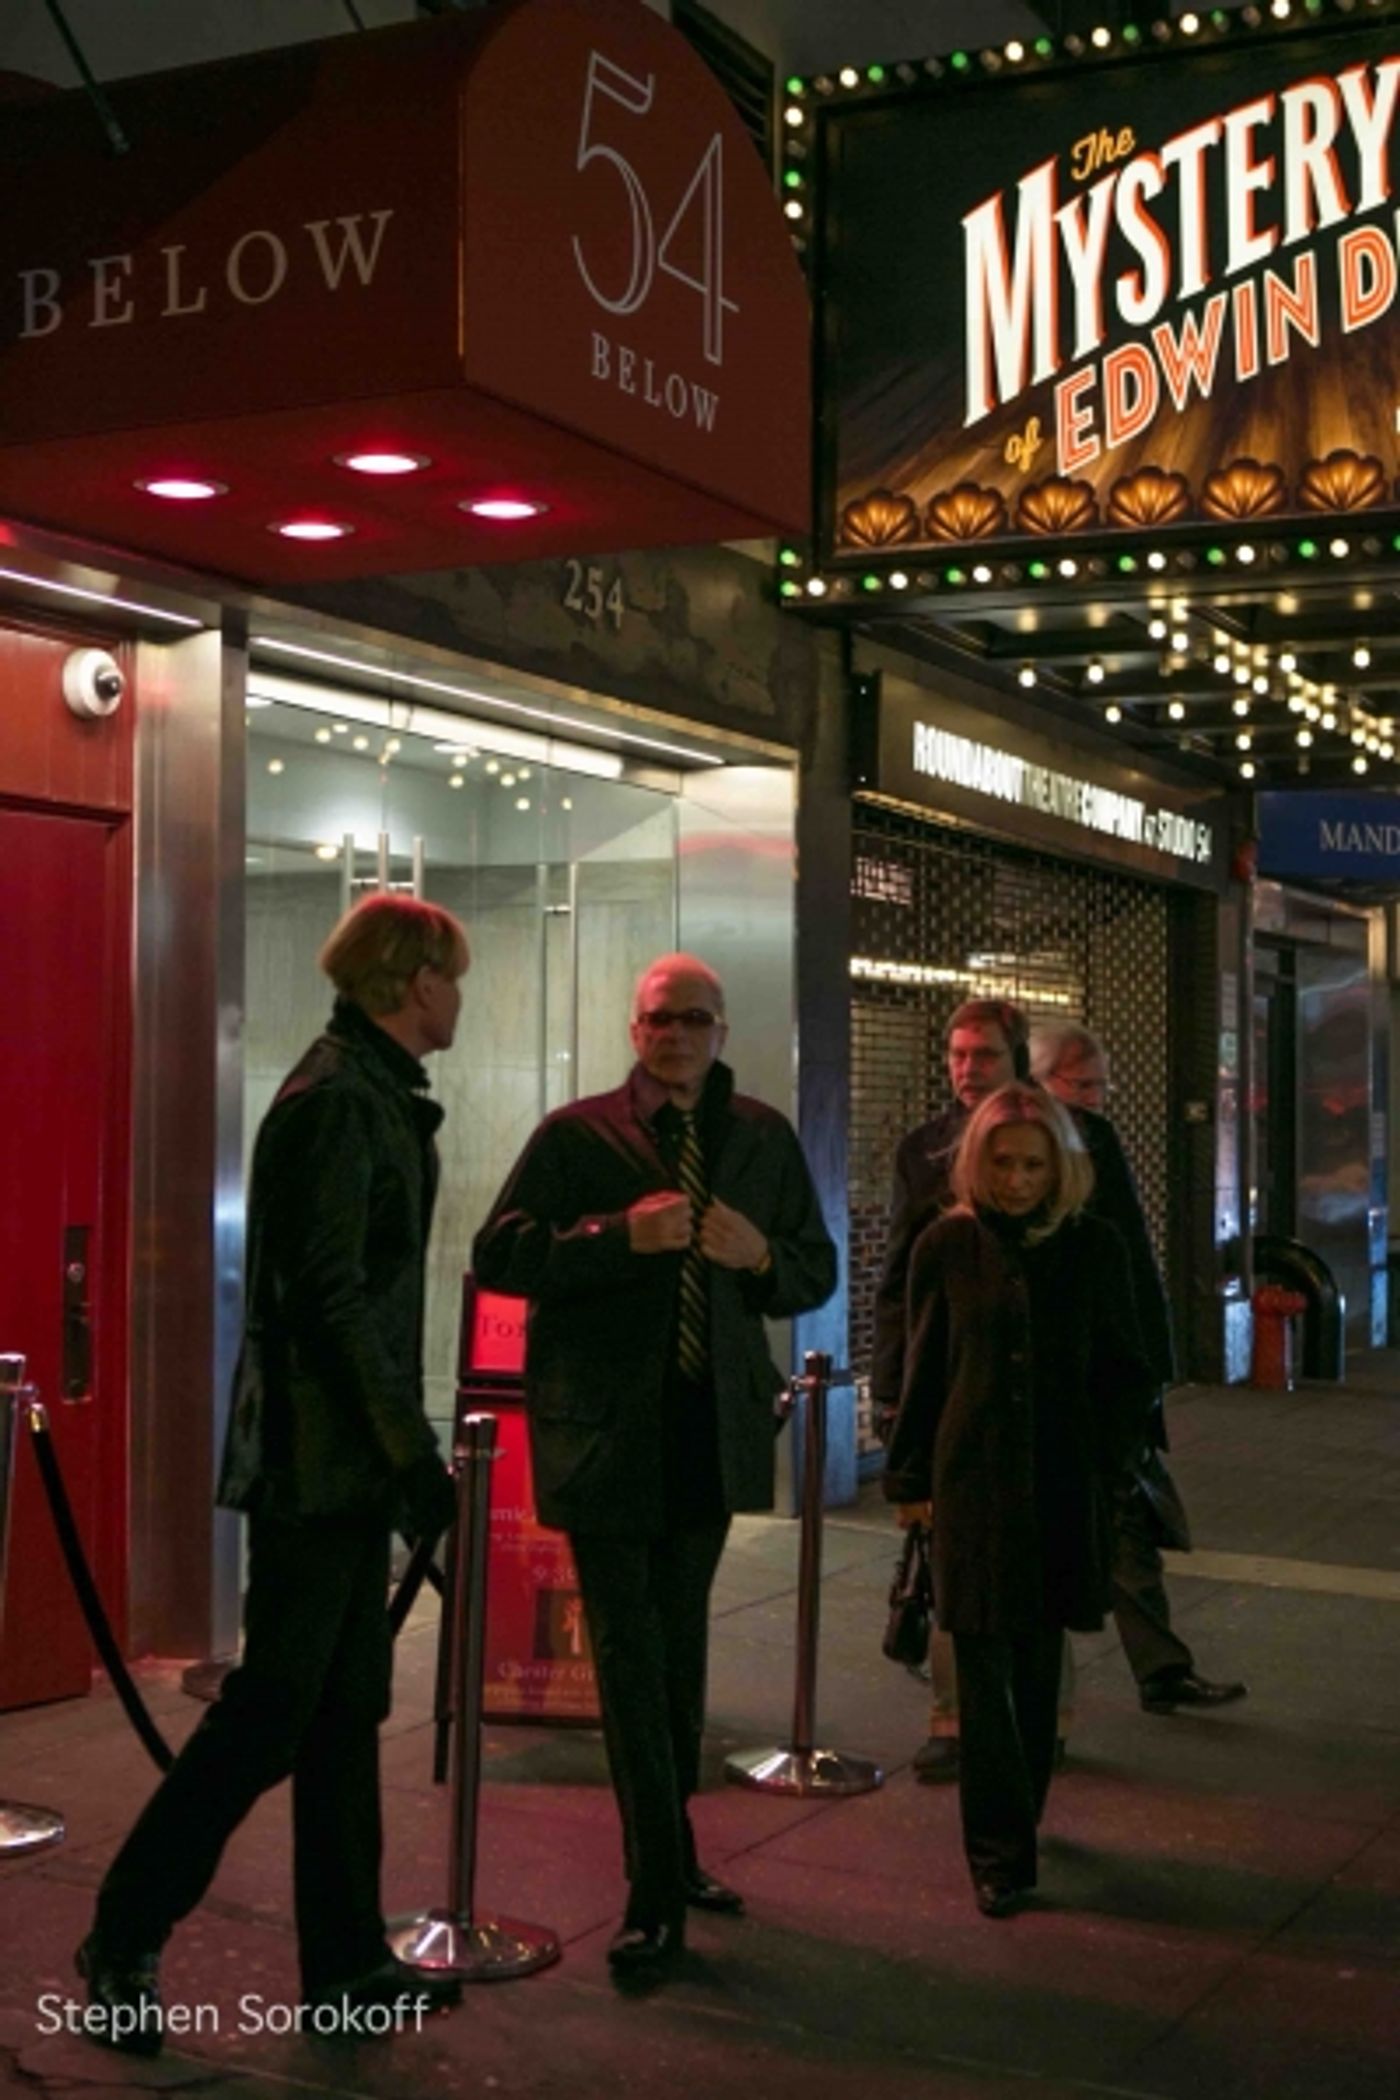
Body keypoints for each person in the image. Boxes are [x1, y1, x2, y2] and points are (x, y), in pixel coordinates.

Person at [76, 894, 470, 2054]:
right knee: (269, 1718)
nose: (458, 996)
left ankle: (344, 1963)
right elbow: (331, 1299)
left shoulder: (367, 1094)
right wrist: (407, 1455)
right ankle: (124, 1932)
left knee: (344, 1714)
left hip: (340, 1463)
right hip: (316, 1467)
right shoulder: (340, 1103)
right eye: (449, 975)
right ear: (409, 981)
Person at [473, 952, 836, 1978]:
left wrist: (755, 1255)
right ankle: (650, 1895)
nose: (673, 1035)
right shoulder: (574, 1136)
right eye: (655, 1019)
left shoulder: (757, 1137)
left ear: (720, 1031)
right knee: (629, 1660)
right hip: (600, 1435)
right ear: (633, 1032)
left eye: (693, 1018)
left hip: (707, 1432)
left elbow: (811, 1270)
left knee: (677, 1655)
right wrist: (610, 1238)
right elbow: (497, 1256)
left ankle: (671, 1858)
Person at [884, 1084, 1154, 1917]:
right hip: (973, 1477)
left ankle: (1022, 1813)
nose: (1016, 1179)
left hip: (1063, 1480)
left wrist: (1114, 1464)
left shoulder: (1094, 1247)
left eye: (1034, 1164)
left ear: (1060, 1168)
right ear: (977, 1161)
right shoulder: (946, 1245)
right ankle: (996, 1853)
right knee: (981, 1666)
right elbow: (925, 1365)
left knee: (1038, 1668)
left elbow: (1124, 1368)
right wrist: (909, 1480)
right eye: (1001, 1162)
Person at [1030, 1020, 1247, 1716]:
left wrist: (1150, 1364)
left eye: (1100, 1084)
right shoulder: (1037, 1149)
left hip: (1109, 1374)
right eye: (1081, 1083)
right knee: (1106, 1519)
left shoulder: (1094, 1139)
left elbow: (1130, 1259)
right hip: (1070, 1376)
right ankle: (1138, 1670)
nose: (1095, 1096)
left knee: (1128, 1514)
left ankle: (1159, 1665)